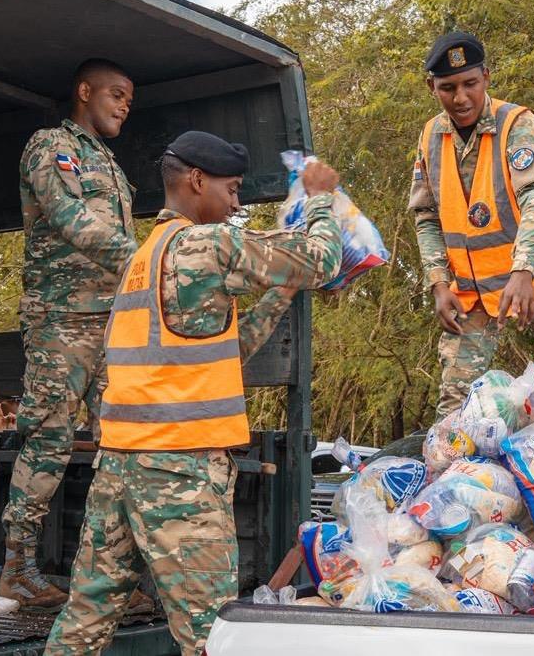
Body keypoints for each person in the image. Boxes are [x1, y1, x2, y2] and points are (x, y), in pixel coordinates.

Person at [44, 131, 343, 656]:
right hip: (179, 474)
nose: (236, 203)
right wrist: (319, 200)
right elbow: (322, 260)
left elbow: (226, 350)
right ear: (197, 180)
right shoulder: (208, 245)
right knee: (211, 636)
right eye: (231, 189)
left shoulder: (145, 257)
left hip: (118, 471)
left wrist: (281, 291)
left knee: (84, 623)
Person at [1, 58, 141, 611]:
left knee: (122, 447)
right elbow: (70, 219)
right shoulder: (53, 147)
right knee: (48, 443)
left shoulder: (109, 162)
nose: (125, 104)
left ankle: (103, 580)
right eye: (116, 93)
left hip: (113, 324)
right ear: (85, 91)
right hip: (62, 320)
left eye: (130, 98)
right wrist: (154, 258)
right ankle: (18, 570)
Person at [409, 31, 534, 421]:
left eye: (470, 84)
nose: (461, 97)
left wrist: (523, 270)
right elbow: (426, 217)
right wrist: (438, 282)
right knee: (455, 414)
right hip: (472, 295)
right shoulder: (431, 136)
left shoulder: (519, 125)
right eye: (448, 88)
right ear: (432, 87)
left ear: (487, 77)